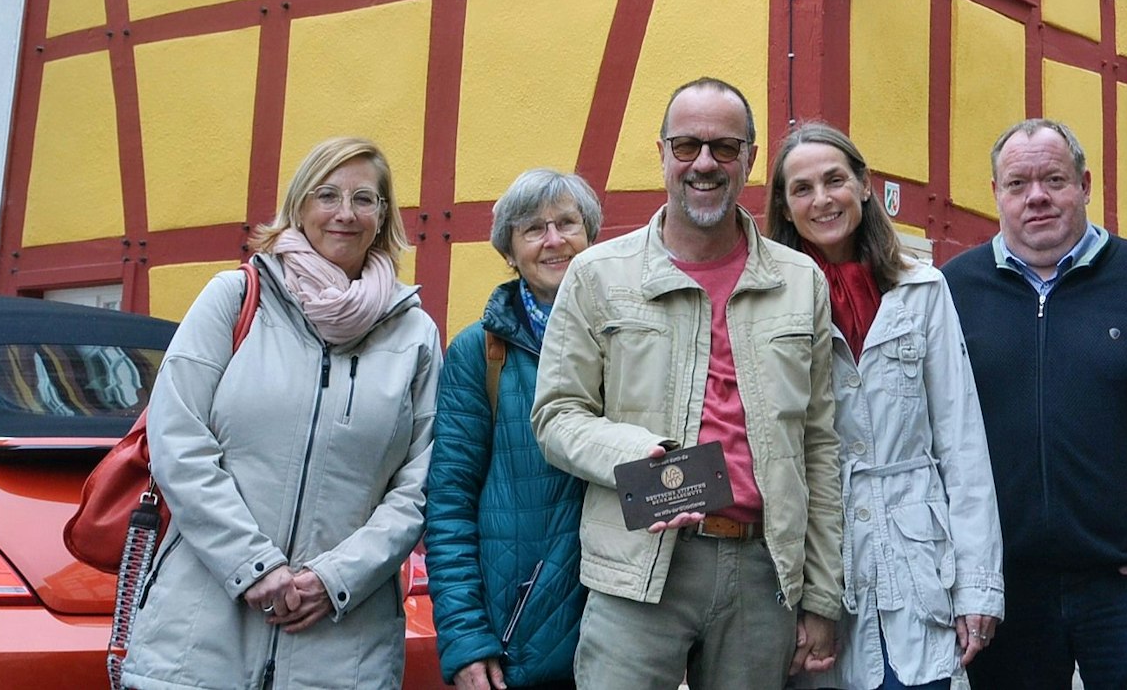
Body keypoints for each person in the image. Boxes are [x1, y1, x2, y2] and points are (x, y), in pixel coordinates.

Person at [531, 78, 844, 689]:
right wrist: (640, 456)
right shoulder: (598, 275)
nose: (704, 162)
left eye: (725, 148)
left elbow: (819, 446)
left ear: (750, 159)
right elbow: (556, 416)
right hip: (637, 570)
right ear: (662, 154)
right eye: (687, 146)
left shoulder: (800, 281)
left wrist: (822, 594)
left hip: (763, 572)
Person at [124, 137, 443, 690]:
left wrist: (333, 578)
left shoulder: (414, 334)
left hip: (345, 647)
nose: (345, 213)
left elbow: (422, 481)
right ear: (298, 206)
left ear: (383, 216)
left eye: (364, 199)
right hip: (199, 640)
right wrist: (254, 568)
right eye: (328, 194)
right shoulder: (235, 297)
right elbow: (177, 437)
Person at [940, 118, 1127, 690]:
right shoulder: (953, 292)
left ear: (1085, 185)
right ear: (996, 193)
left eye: (1054, 179)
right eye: (1017, 184)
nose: (1037, 197)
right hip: (1005, 589)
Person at [766, 123, 1004, 690]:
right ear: (784, 206)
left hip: (915, 563)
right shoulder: (768, 302)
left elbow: (961, 441)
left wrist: (978, 584)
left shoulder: (922, 290)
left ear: (865, 185)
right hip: (815, 569)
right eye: (802, 189)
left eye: (834, 180)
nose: (822, 199)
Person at [425, 169, 605, 690]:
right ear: (509, 251)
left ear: (590, 235)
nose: (554, 240)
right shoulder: (479, 353)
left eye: (567, 223)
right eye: (533, 229)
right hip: (517, 636)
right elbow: (448, 503)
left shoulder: (634, 339)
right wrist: (465, 638)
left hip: (627, 628)